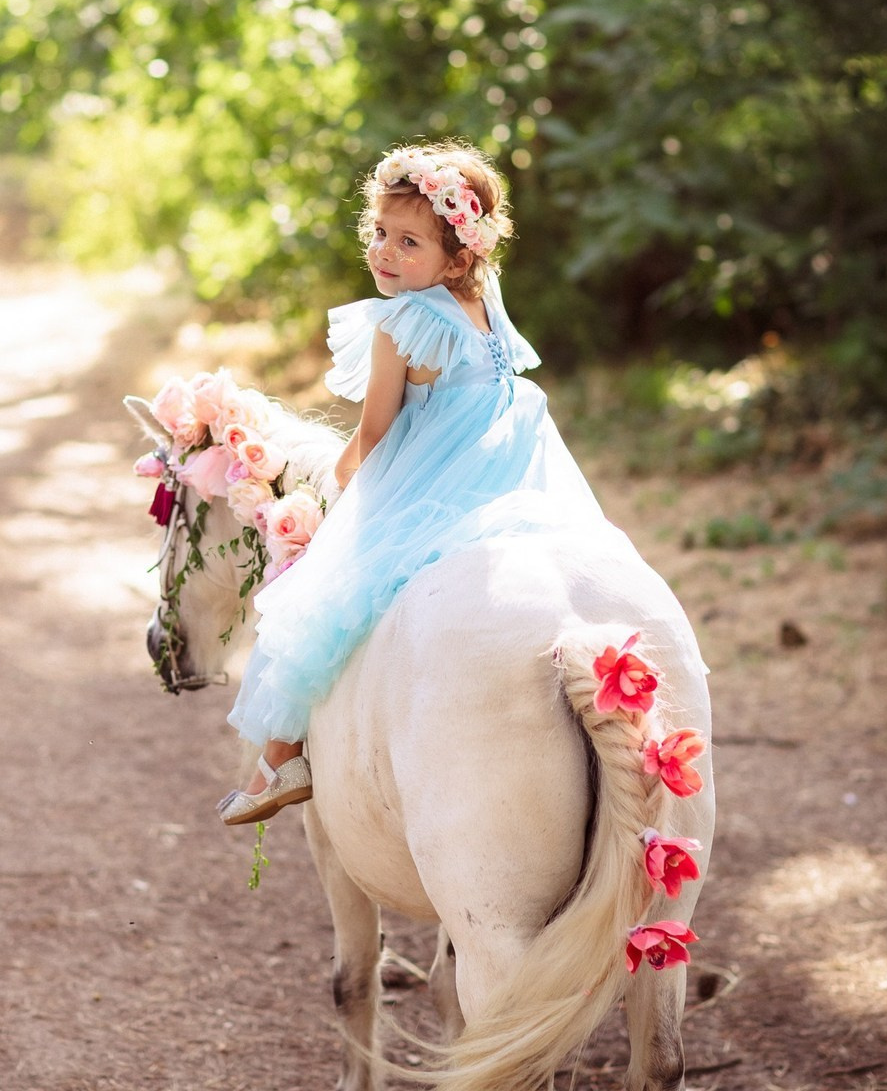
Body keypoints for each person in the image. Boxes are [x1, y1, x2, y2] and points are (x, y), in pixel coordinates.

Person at [216, 141, 607, 825]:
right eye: (379, 234)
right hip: (507, 472)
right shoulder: (484, 305)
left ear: (457, 256)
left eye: (408, 242)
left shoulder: (400, 324)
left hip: (436, 477)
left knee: (322, 598)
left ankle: (281, 760)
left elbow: (372, 433)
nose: (385, 253)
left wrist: (337, 493)